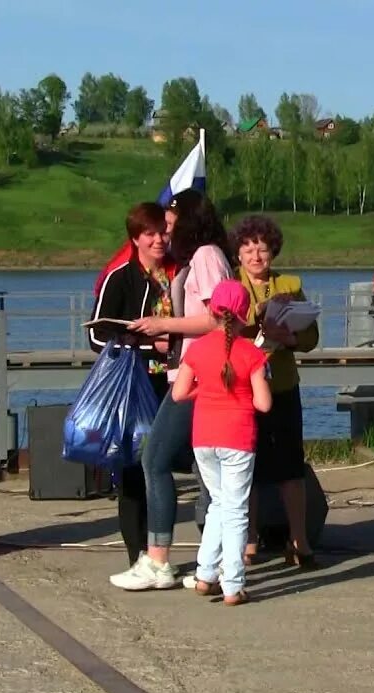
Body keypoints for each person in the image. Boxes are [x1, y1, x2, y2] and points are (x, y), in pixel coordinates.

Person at [109, 189, 233, 591]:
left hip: (201, 373)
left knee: (155, 459)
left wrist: (164, 325)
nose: (166, 230)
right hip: (189, 368)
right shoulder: (200, 258)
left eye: (171, 222)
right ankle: (211, 562)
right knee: (203, 469)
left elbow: (219, 320)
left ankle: (159, 559)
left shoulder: (206, 257)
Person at [171, 280, 272, 606]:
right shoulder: (252, 353)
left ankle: (205, 574)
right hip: (238, 436)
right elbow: (264, 404)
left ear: (212, 311)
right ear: (245, 316)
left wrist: (207, 390)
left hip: (205, 436)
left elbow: (179, 393)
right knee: (236, 510)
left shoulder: (197, 349)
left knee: (217, 503)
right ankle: (233, 584)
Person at [229, 214, 321, 570]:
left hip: (282, 384)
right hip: (242, 386)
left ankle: (299, 539)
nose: (256, 256)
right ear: (237, 253)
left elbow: (312, 337)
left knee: (289, 467)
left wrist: (291, 338)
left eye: (262, 249)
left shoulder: (290, 283)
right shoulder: (230, 283)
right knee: (245, 465)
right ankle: (248, 537)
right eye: (248, 248)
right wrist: (258, 314)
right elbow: (225, 323)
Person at [88, 202, 175, 569]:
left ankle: (162, 553)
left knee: (167, 465)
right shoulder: (120, 276)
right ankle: (137, 554)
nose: (158, 240)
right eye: (150, 234)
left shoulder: (179, 274)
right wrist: (144, 342)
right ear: (135, 238)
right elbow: (96, 335)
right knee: (134, 470)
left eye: (163, 232)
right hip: (134, 384)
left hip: (174, 383)